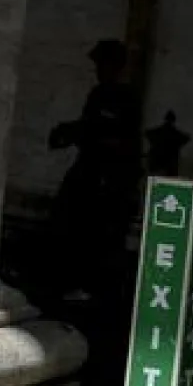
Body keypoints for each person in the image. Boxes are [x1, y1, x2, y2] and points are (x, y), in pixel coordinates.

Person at [47, 38, 142, 302]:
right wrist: (69, 132)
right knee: (68, 220)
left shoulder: (125, 98)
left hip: (110, 177)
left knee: (102, 233)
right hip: (91, 170)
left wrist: (87, 136)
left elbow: (119, 138)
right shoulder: (98, 94)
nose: (100, 71)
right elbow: (90, 125)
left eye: (105, 65)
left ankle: (97, 288)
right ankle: (73, 281)